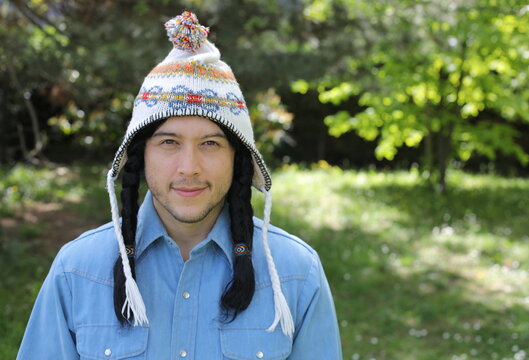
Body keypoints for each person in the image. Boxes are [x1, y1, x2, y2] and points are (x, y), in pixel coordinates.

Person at [17, 12, 342, 359]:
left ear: (238, 158)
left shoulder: (296, 274)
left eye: (211, 144)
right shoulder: (77, 270)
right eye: (169, 142)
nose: (189, 168)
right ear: (141, 156)